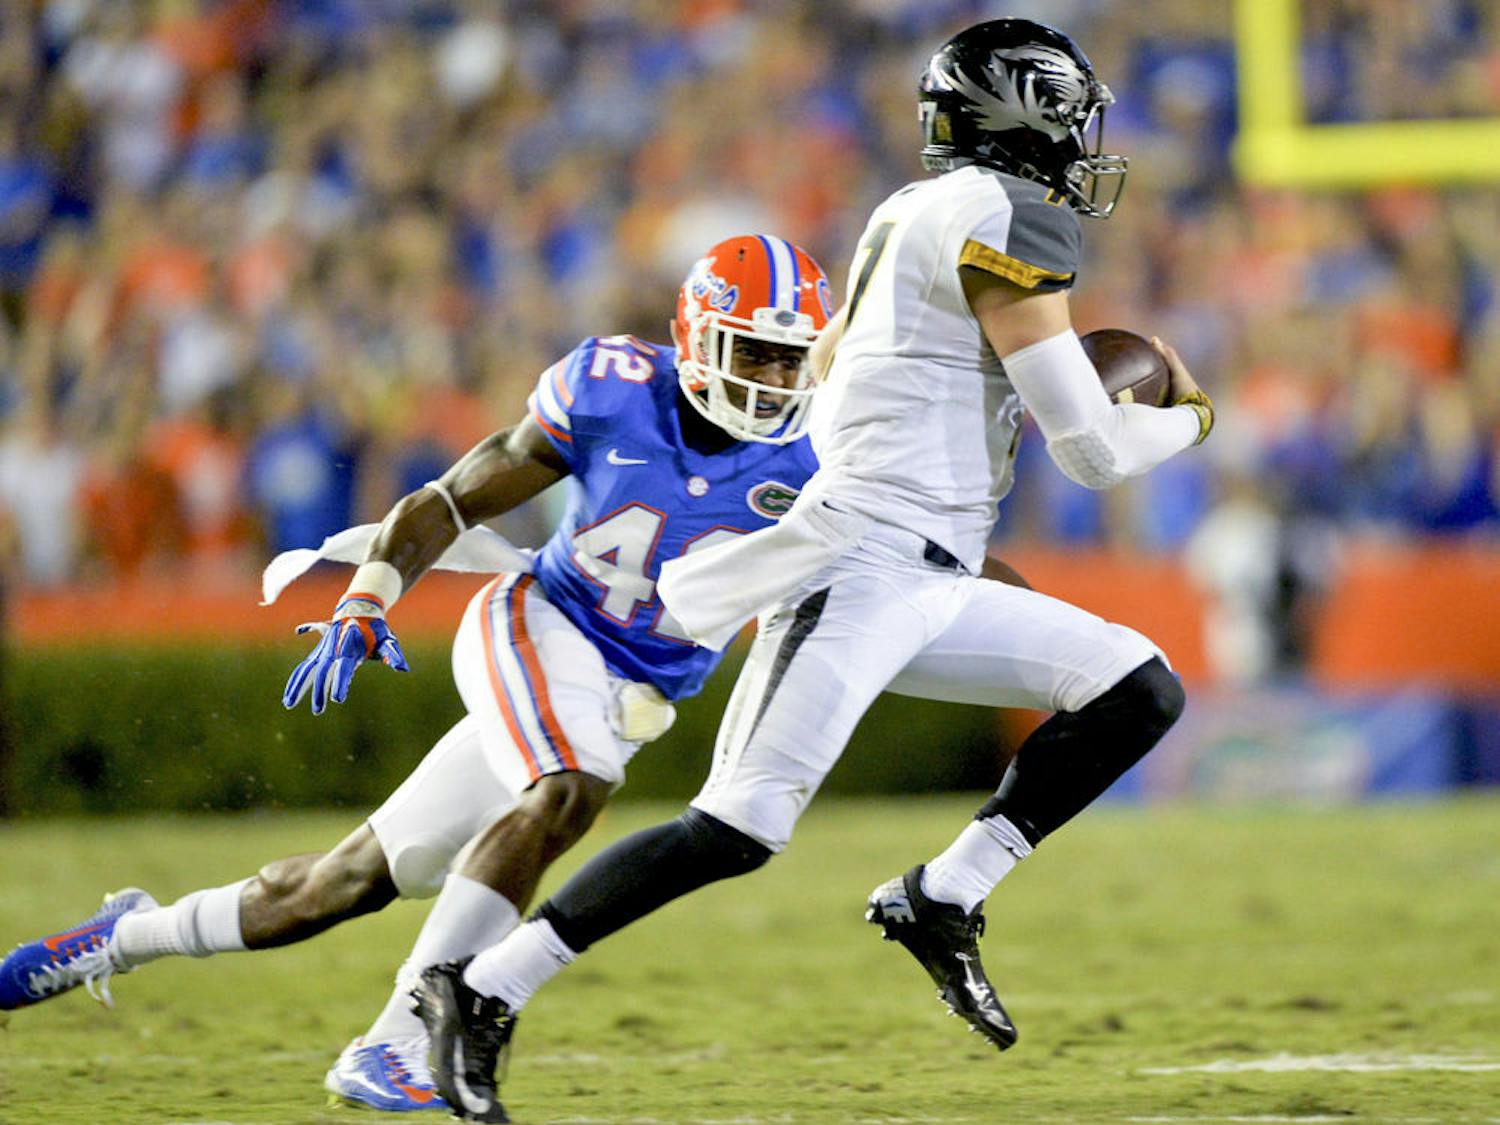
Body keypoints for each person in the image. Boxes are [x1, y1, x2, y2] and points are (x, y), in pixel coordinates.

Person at [410, 19, 1215, 1123]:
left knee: (1138, 689)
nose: (1083, 142)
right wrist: (1186, 409)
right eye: (1071, 116)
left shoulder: (909, 210)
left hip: (926, 565)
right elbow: (1091, 451)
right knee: (739, 827)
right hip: (859, 560)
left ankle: (943, 896)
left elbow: (847, 367)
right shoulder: (1009, 217)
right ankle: (484, 986)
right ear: (1023, 115)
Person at [0, 235, 833, 1115]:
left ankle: (118, 936)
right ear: (696, 337)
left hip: (618, 693)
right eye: (754, 351)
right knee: (569, 785)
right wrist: (367, 597)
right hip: (541, 626)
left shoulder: (824, 448)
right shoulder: (612, 390)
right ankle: (401, 1039)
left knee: (337, 885)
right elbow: (450, 498)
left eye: (791, 357)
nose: (775, 379)